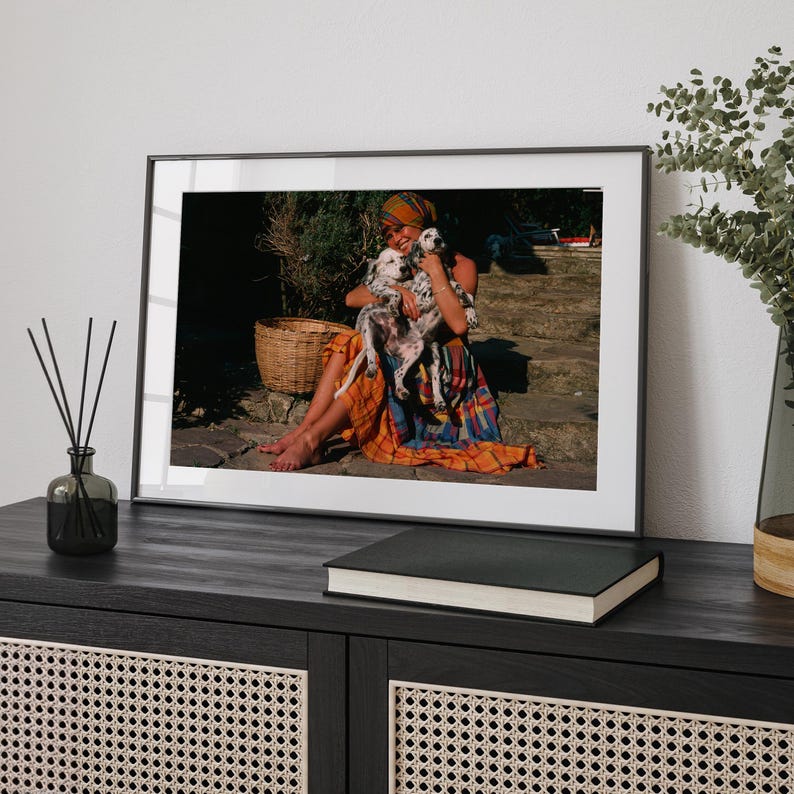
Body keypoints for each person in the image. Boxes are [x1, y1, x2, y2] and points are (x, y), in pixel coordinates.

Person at [259, 191, 541, 473]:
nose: (396, 238)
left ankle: (311, 440)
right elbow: (352, 297)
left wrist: (435, 270)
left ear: (421, 226)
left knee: (377, 361)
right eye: (388, 234)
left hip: (445, 359)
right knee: (350, 340)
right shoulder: (400, 262)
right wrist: (395, 290)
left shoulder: (462, 265)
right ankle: (304, 431)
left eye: (401, 228)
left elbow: (458, 324)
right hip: (406, 349)